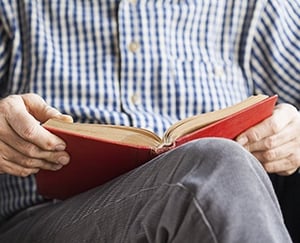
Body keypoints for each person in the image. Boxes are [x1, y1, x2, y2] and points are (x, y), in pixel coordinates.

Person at [0, 0, 299, 242]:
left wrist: (294, 136)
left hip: (215, 214)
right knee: (220, 165)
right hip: (52, 221)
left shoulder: (258, 7)